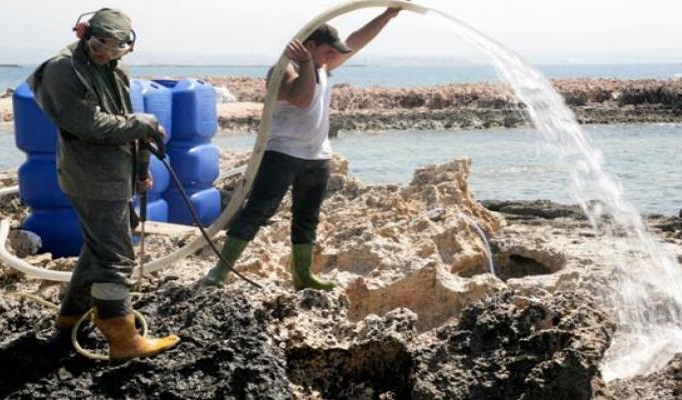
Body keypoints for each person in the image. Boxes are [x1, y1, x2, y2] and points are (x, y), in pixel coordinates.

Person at [203, 7, 406, 289]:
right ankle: (219, 273)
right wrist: (308, 64)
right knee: (258, 211)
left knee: (307, 217)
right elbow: (302, 99)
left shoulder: (321, 65)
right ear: (309, 46)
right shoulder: (283, 69)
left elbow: (355, 42)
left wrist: (388, 15)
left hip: (317, 155)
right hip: (282, 153)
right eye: (326, 51)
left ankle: (302, 275)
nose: (332, 57)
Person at [28, 8, 179, 360]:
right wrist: (143, 124)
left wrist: (141, 167)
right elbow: (90, 124)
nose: (106, 54)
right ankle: (122, 338)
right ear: (83, 33)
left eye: (116, 50)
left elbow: (127, 119)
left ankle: (69, 321)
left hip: (116, 173)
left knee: (101, 248)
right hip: (90, 177)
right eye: (99, 46)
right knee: (115, 257)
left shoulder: (114, 69)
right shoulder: (61, 70)